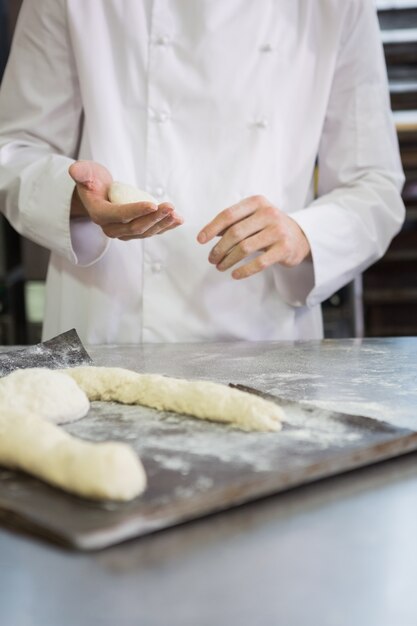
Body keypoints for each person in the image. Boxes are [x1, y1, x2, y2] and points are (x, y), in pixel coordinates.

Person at [0, 0, 405, 344]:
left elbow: (374, 185)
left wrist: (303, 234)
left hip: (265, 337)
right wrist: (78, 199)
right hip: (111, 327)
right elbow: (14, 149)